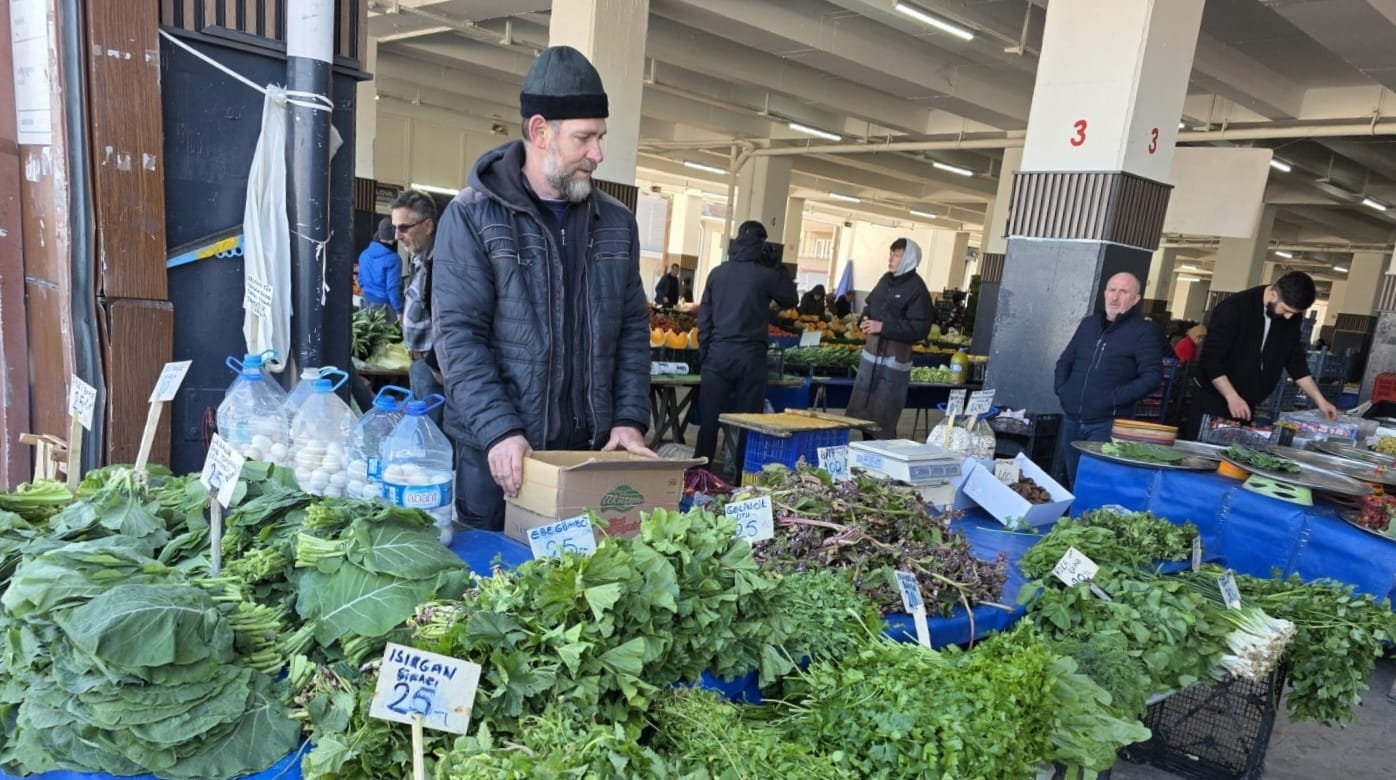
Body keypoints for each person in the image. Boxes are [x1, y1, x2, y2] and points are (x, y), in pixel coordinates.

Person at [432, 45, 654, 531]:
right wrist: (500, 431)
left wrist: (630, 418)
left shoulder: (617, 224)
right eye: (584, 138)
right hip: (503, 459)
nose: (597, 153)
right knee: (493, 588)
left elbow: (632, 330)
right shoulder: (472, 217)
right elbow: (459, 338)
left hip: (587, 458)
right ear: (539, 131)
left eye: (600, 137)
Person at [693, 220, 799, 465]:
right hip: (751, 358)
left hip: (718, 355)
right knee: (748, 424)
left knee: (709, 423)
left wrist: (705, 353)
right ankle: (741, 478)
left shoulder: (717, 274)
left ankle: (698, 475)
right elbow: (790, 299)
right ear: (760, 244)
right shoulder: (765, 276)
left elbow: (705, 318)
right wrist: (778, 266)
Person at [1185, 271, 1338, 439]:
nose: (1289, 317)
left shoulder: (1291, 317)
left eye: (1294, 313)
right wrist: (1231, 396)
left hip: (1246, 403)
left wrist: (1320, 400)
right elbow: (1211, 359)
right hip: (1213, 399)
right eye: (1286, 310)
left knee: (1232, 457)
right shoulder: (1234, 308)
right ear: (1273, 294)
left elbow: (1296, 362)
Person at [1054, 272, 1164, 485]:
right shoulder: (1089, 324)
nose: (1115, 297)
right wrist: (1062, 390)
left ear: (1136, 299)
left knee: (1094, 483)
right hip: (1072, 419)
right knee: (1072, 480)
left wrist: (1114, 399)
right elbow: (1065, 360)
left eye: (1124, 292)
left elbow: (1152, 376)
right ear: (1104, 293)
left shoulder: (1143, 331)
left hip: (1106, 424)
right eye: (1112, 290)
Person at [844, 238, 934, 438]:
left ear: (909, 258)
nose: (891, 258)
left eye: (897, 254)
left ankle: (880, 459)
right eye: (891, 253)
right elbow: (871, 304)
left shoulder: (917, 289)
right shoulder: (886, 280)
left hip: (893, 362)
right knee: (863, 412)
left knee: (883, 418)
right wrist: (865, 318)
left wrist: (883, 327)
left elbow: (919, 328)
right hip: (872, 356)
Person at [394, 190, 444, 425]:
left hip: (432, 371)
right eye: (396, 228)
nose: (397, 235)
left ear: (428, 225)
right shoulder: (418, 259)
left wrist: (435, 363)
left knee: (430, 437)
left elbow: (449, 320)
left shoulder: (441, 265)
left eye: (404, 227)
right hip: (419, 365)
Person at [357, 218, 402, 316]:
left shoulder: (364, 254)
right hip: (384, 309)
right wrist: (399, 310)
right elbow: (392, 288)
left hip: (365, 303)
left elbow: (360, 280)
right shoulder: (394, 259)